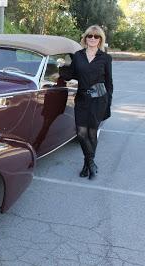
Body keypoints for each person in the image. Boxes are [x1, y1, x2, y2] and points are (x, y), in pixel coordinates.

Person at [64, 25, 113, 179]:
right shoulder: (77, 56)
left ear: (100, 39)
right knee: (81, 133)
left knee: (92, 133)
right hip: (82, 98)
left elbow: (109, 82)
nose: (92, 38)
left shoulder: (105, 58)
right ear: (85, 38)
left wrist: (108, 102)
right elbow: (71, 73)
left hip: (99, 100)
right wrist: (59, 68)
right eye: (89, 36)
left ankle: (87, 165)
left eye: (96, 36)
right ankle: (91, 163)